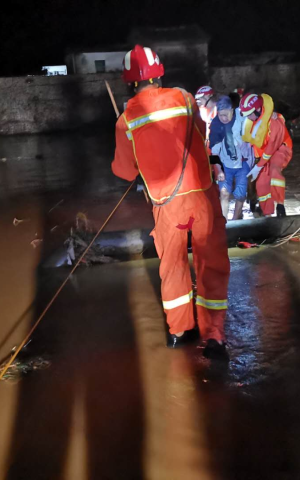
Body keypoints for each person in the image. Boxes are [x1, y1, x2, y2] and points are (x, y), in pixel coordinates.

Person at [111, 45, 230, 360]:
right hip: (202, 197)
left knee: (173, 266)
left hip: (167, 205)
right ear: (159, 72)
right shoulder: (185, 99)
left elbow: (124, 172)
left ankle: (180, 333)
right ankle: (214, 337)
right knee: (212, 264)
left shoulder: (127, 119)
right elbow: (201, 133)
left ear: (129, 82)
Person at [239, 93, 293, 217]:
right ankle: (267, 214)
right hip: (263, 156)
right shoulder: (251, 120)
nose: (248, 117)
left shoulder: (274, 122)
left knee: (274, 172)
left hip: (280, 149)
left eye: (249, 114)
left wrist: (258, 166)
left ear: (258, 109)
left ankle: (280, 206)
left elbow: (272, 146)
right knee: (261, 184)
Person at [209, 95, 252, 220]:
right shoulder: (215, 125)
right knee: (224, 193)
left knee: (240, 194)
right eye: (221, 115)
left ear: (232, 110)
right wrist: (219, 170)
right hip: (225, 163)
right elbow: (213, 152)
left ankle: (235, 219)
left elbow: (258, 117)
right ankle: (224, 221)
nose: (224, 118)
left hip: (243, 162)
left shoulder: (241, 115)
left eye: (226, 114)